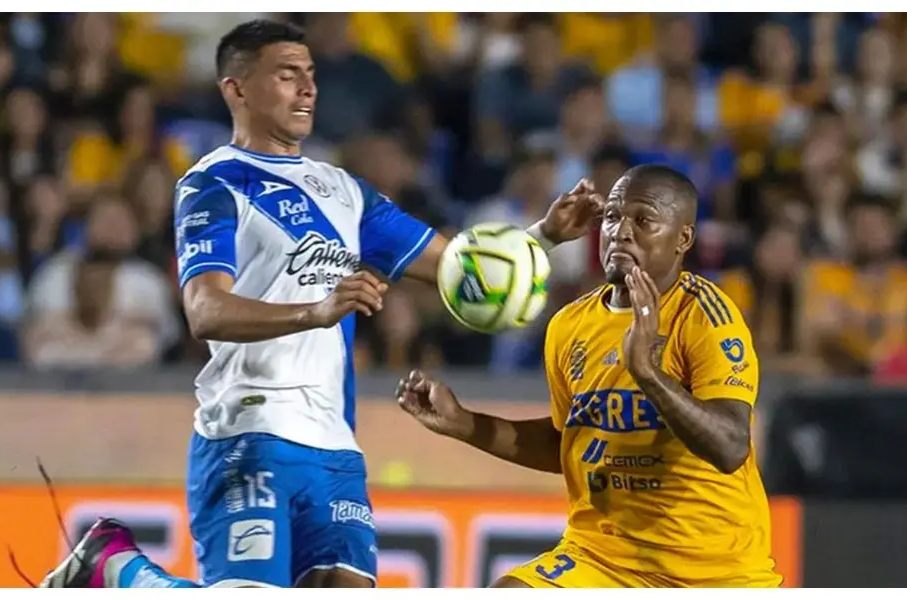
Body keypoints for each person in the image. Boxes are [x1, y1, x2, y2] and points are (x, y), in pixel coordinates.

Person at [39, 18, 600, 589]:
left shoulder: (344, 191)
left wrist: (541, 238)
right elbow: (205, 310)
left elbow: (455, 266)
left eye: (310, 75)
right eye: (287, 75)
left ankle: (111, 566)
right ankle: (119, 567)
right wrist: (314, 311)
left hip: (333, 443)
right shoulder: (214, 185)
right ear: (237, 89)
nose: (307, 88)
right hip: (248, 429)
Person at [397, 165, 781, 588]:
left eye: (643, 219)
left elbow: (730, 447)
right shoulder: (569, 325)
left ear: (683, 239)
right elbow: (569, 441)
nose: (621, 232)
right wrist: (465, 423)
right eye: (613, 217)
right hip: (602, 559)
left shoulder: (705, 317)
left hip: (714, 570)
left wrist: (648, 375)